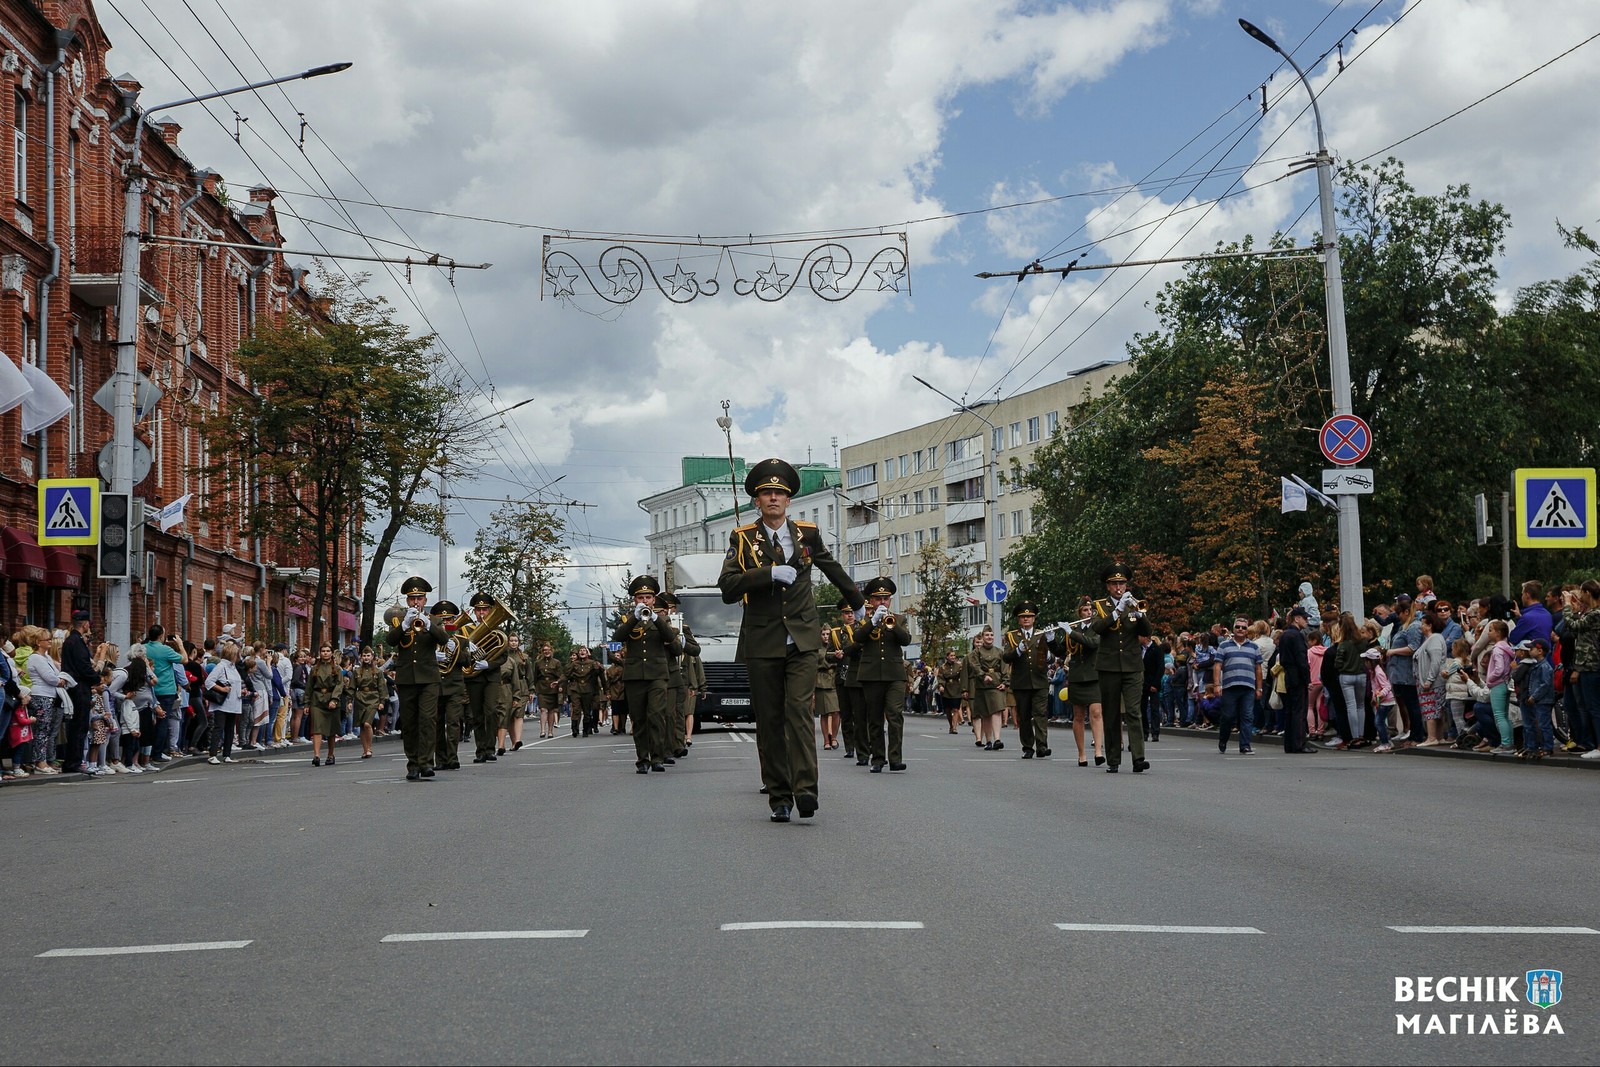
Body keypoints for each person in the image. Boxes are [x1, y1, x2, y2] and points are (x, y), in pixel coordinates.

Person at [718, 457, 864, 822]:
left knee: (799, 713)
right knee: (769, 721)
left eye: (779, 493)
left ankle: (806, 790)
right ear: (756, 500)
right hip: (762, 642)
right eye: (766, 493)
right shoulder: (742, 539)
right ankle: (780, 797)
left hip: (801, 640)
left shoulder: (807, 534)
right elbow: (728, 588)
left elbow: (832, 567)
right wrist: (767, 573)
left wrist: (859, 603)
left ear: (788, 501)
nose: (772, 499)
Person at [613, 575, 682, 774]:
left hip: (658, 675)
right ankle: (642, 759)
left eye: (648, 598)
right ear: (635, 600)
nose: (645, 601)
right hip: (635, 676)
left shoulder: (660, 620)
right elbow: (617, 639)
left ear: (654, 600)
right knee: (639, 718)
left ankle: (657, 757)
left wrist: (655, 618)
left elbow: (671, 639)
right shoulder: (628, 620)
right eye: (641, 597)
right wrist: (635, 617)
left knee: (656, 716)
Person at [384, 576, 450, 781]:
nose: (416, 602)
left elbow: (444, 639)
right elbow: (391, 641)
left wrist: (429, 624)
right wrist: (404, 624)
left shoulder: (435, 620)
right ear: (407, 601)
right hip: (406, 679)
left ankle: (426, 763)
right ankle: (412, 764)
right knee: (410, 723)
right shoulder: (399, 621)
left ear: (425, 599)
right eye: (412, 598)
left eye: (419, 598)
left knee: (428, 720)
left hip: (429, 678)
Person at [1090, 563, 1153, 773]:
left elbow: (1147, 632)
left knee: (1134, 711)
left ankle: (1138, 758)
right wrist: (1117, 611)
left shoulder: (1134, 604)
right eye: (1115, 583)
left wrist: (1141, 615)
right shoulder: (1100, 606)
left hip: (1133, 665)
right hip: (1108, 666)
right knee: (1111, 713)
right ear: (1108, 586)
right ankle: (1113, 759)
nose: (1119, 587)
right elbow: (1097, 628)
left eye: (1122, 583)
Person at [847, 576, 913, 773]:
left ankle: (895, 758)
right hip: (871, 674)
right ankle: (877, 758)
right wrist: (873, 622)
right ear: (871, 601)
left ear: (890, 600)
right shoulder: (864, 620)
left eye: (885, 598)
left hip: (894, 674)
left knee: (894, 715)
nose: (882, 602)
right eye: (878, 598)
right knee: (874, 718)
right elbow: (857, 639)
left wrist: (892, 624)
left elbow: (906, 640)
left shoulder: (899, 619)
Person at [1001, 601, 1063, 759]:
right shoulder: (1011, 636)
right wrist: (1018, 650)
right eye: (1023, 617)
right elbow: (1006, 657)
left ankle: (1042, 745)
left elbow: (1053, 657)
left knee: (1040, 713)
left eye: (1029, 616)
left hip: (1039, 680)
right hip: (1021, 682)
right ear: (1018, 619)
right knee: (1024, 715)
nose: (1026, 619)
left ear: (1034, 618)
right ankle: (1028, 746)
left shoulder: (1042, 634)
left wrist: (1049, 654)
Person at [461, 593, 509, 765]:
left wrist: (487, 664)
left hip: (490, 676)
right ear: (474, 611)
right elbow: (459, 653)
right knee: (477, 715)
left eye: (485, 609)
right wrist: (467, 647)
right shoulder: (466, 631)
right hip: (473, 677)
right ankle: (480, 750)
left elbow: (503, 656)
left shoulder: (498, 630)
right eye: (479, 610)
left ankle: (490, 747)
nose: (482, 613)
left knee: (491, 710)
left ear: (490, 610)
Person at [1213, 617, 1263, 755]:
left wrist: (1259, 688)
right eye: (1238, 627)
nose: (1240, 629)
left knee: (1247, 716)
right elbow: (1217, 666)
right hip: (1229, 686)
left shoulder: (1254, 647)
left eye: (1244, 627)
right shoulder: (1224, 646)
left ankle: (1245, 745)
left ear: (1247, 630)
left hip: (1248, 687)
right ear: (1233, 629)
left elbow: (1258, 669)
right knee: (1228, 716)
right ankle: (1223, 739)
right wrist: (1217, 685)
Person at [1064, 599, 1104, 766]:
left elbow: (1093, 643)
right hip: (1077, 676)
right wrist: (1051, 639)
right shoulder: (1073, 628)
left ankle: (1098, 751)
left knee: (1096, 712)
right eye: (1085, 610)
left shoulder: (1097, 628)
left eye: (1090, 610)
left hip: (1093, 674)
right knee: (1079, 716)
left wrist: (1071, 633)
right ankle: (1081, 754)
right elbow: (1061, 650)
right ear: (1079, 613)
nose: (1088, 613)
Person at [430, 601, 468, 770]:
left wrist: (456, 652)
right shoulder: (430, 640)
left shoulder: (461, 640)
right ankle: (441, 759)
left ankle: (453, 757)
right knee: (436, 724)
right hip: (436, 686)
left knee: (453, 722)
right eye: (442, 620)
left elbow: (468, 661)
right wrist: (433, 655)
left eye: (449, 619)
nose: (445, 623)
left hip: (454, 686)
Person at [60, 610, 95, 774]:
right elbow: (84, 666)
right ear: (85, 624)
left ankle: (74, 761)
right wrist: (97, 677)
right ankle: (74, 762)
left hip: (76, 685)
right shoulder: (76, 642)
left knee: (78, 727)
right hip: (79, 687)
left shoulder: (71, 641)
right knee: (79, 726)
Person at [1276, 607, 1315, 753]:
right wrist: (1307, 679)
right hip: (1297, 675)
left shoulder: (1285, 635)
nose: (1307, 621)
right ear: (1296, 618)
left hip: (1288, 674)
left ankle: (1290, 744)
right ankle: (1299, 743)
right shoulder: (1297, 636)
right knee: (1299, 710)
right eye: (1305, 618)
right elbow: (1301, 660)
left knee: (1290, 711)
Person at [963, 626, 1007, 751]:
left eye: (991, 635)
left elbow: (1004, 668)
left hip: (996, 684)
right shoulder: (976, 653)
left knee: (997, 711)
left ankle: (997, 739)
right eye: (987, 635)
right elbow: (975, 666)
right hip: (982, 686)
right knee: (985, 714)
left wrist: (1005, 682)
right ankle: (988, 741)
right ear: (983, 637)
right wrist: (983, 675)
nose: (989, 637)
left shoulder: (999, 652)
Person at [205, 644, 244, 765]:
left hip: (234, 702)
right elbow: (208, 682)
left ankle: (227, 754)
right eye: (237, 654)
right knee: (219, 728)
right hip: (222, 704)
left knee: (229, 729)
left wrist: (241, 691)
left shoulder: (233, 667)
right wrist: (222, 690)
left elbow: (235, 683)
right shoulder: (221, 666)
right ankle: (213, 754)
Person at [306, 645, 345, 766]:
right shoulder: (314, 669)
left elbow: (339, 685)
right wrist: (306, 703)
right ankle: (316, 755)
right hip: (317, 700)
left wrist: (334, 699)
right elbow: (309, 687)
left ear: (332, 653)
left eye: (328, 651)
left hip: (331, 700)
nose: (325, 653)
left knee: (331, 730)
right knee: (317, 728)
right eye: (323, 651)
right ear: (320, 653)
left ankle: (330, 755)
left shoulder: (337, 669)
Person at [349, 647, 387, 759]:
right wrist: (350, 700)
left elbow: (382, 687)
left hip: (373, 698)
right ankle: (365, 749)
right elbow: (352, 687)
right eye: (364, 656)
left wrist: (382, 701)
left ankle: (369, 748)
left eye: (368, 655)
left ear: (372, 657)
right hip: (360, 698)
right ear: (361, 657)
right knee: (362, 725)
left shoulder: (378, 671)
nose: (366, 658)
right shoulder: (356, 671)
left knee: (367, 724)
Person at [565, 645, 604, 739]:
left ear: (587, 654)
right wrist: (558, 682)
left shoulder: (592, 663)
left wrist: (605, 689)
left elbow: (600, 672)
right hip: (576, 688)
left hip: (588, 689)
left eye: (584, 651)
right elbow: (566, 674)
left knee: (587, 711)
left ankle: (586, 729)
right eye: (580, 651)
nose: (582, 652)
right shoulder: (574, 664)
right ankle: (574, 729)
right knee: (576, 708)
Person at [815, 625, 840, 750]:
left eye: (828, 634)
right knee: (824, 713)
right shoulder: (816, 648)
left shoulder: (837, 646)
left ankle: (834, 737)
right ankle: (826, 740)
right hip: (821, 681)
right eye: (823, 634)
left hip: (835, 680)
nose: (826, 636)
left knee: (836, 712)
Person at [532, 640, 564, 740]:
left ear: (551, 651)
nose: (546, 652)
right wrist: (533, 689)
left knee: (551, 710)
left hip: (552, 688)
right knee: (543, 709)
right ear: (542, 651)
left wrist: (558, 683)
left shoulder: (556, 662)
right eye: (544, 650)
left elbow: (561, 676)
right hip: (541, 688)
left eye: (548, 650)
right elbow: (535, 677)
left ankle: (550, 731)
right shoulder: (538, 663)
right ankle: (542, 730)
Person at [935, 648, 963, 736]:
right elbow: (940, 677)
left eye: (954, 655)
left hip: (956, 688)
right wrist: (941, 686)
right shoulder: (943, 667)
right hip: (946, 689)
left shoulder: (959, 666)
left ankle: (954, 727)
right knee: (947, 710)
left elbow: (963, 676)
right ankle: (951, 725)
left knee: (955, 709)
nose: (953, 657)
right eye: (951, 655)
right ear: (947, 657)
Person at [604, 649, 627, 735]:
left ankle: (623, 727)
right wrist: (608, 692)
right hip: (614, 690)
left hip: (624, 689)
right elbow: (608, 682)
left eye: (618, 656)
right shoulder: (610, 669)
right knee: (615, 710)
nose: (616, 657)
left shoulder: (624, 666)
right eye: (615, 656)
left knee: (624, 711)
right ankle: (616, 728)